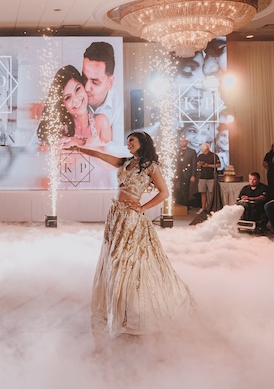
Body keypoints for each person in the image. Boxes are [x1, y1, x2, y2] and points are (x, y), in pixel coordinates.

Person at [71, 131, 193, 340]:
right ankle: (118, 304)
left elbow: (164, 193)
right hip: (116, 214)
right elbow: (101, 156)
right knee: (115, 259)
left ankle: (132, 309)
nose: (128, 144)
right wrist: (80, 149)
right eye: (127, 141)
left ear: (142, 143)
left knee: (128, 260)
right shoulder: (125, 162)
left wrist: (142, 207)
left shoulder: (151, 166)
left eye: (132, 141)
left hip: (132, 218)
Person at [37, 65, 111, 146]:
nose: (75, 100)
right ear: (62, 104)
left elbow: (109, 157)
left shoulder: (101, 122)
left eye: (77, 89)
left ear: (84, 86)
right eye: (68, 97)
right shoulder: (59, 129)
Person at [82, 42, 122, 143]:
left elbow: (117, 151)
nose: (86, 88)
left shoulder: (119, 107)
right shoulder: (73, 95)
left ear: (110, 82)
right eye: (84, 78)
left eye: (95, 82)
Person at [196, 142, 220, 212]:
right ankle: (203, 208)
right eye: (202, 151)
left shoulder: (214, 156)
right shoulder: (200, 156)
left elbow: (218, 165)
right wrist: (199, 165)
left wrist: (208, 165)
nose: (204, 152)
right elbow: (197, 166)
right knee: (202, 192)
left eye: (205, 151)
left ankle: (211, 208)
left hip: (211, 177)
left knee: (211, 193)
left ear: (208, 149)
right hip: (202, 177)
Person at [175, 136, 197, 207]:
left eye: (184, 141)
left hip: (187, 173)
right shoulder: (177, 151)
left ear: (187, 142)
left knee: (185, 189)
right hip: (177, 173)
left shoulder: (192, 151)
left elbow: (194, 164)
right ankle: (178, 203)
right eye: (181, 141)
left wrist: (193, 175)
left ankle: (185, 205)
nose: (182, 142)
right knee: (177, 188)